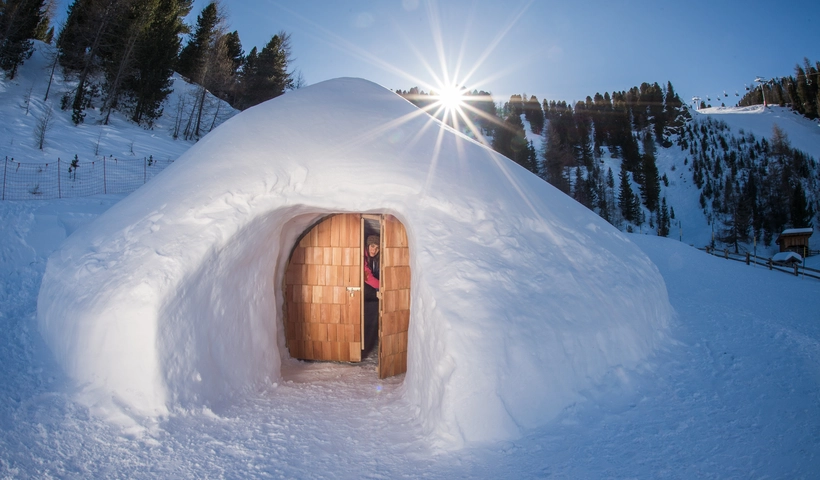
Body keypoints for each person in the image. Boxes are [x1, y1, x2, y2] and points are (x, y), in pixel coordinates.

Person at [363, 235, 380, 356]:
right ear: (368, 245)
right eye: (372, 246)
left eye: (377, 247)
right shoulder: (362, 256)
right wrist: (382, 286)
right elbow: (367, 276)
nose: (374, 250)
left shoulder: (371, 258)